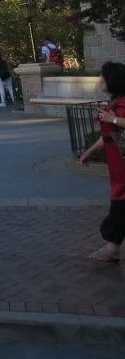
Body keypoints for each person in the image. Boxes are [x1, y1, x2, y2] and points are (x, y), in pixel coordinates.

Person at [79, 61, 125, 262]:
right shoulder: (115, 103)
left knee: (121, 206)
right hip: (118, 167)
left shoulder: (122, 104)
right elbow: (107, 136)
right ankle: (112, 247)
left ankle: (111, 247)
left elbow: (115, 125)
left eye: (103, 77)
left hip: (123, 167)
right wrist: (89, 152)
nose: (100, 81)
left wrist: (113, 119)